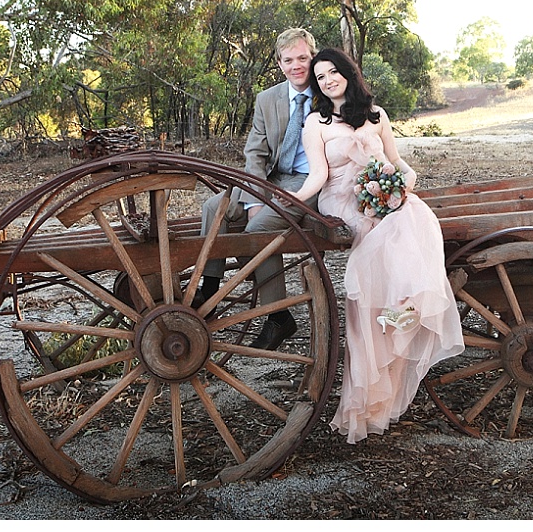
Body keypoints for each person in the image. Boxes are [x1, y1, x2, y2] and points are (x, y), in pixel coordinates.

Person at [285, 47, 465, 443]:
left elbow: (398, 163)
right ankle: (385, 322)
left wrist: (405, 185)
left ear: (348, 72)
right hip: (341, 199)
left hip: (381, 192)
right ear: (317, 85)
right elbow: (318, 175)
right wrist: (296, 200)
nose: (329, 79)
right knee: (375, 231)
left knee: (414, 215)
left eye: (334, 71)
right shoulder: (315, 122)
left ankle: (403, 310)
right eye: (321, 77)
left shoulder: (377, 115)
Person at [197, 28, 321, 350]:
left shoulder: (329, 91)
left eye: (303, 58)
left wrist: (261, 209)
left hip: (310, 182)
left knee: (259, 227)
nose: (297, 66)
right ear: (280, 63)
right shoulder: (268, 99)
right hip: (274, 177)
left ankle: (278, 317)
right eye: (289, 60)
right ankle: (209, 289)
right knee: (215, 208)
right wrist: (256, 196)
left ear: (313, 57)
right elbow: (255, 154)